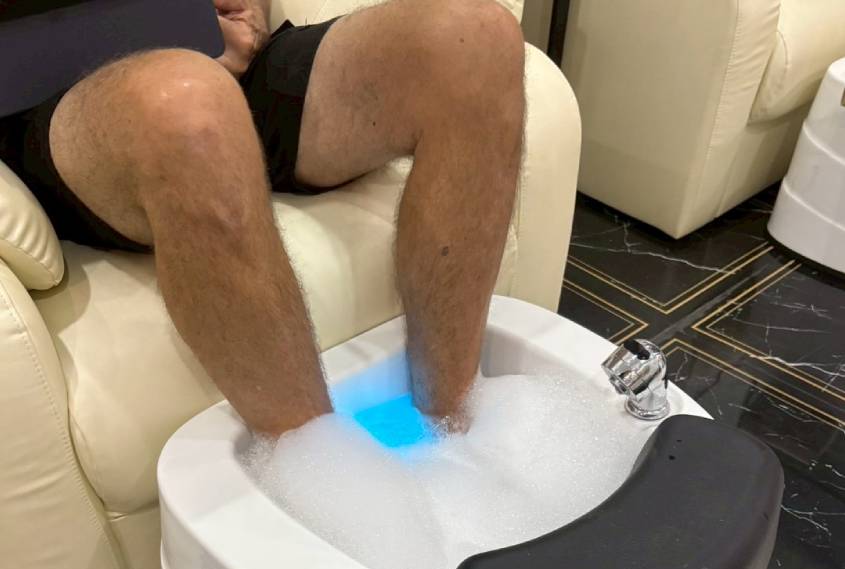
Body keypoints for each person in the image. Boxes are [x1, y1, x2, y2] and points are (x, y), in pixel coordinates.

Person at [0, 0, 525, 436]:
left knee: (477, 37)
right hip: (48, 94)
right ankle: (323, 483)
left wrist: (242, 9)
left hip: (207, 48)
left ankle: (451, 428)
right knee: (187, 105)